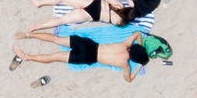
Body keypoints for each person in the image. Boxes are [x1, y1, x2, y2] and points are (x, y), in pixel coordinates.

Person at [13, 30, 168, 82]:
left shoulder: (125, 45)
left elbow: (137, 33)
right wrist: (139, 66)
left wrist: (140, 45)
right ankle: (27, 57)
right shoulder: (124, 64)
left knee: (56, 39)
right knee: (55, 56)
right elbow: (128, 80)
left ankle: (28, 35)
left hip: (89, 45)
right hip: (88, 58)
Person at [26, 0, 161, 31]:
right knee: (62, 20)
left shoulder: (119, 6)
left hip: (94, 3)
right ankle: (38, 27)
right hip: (93, 15)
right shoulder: (121, 22)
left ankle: (39, 3)